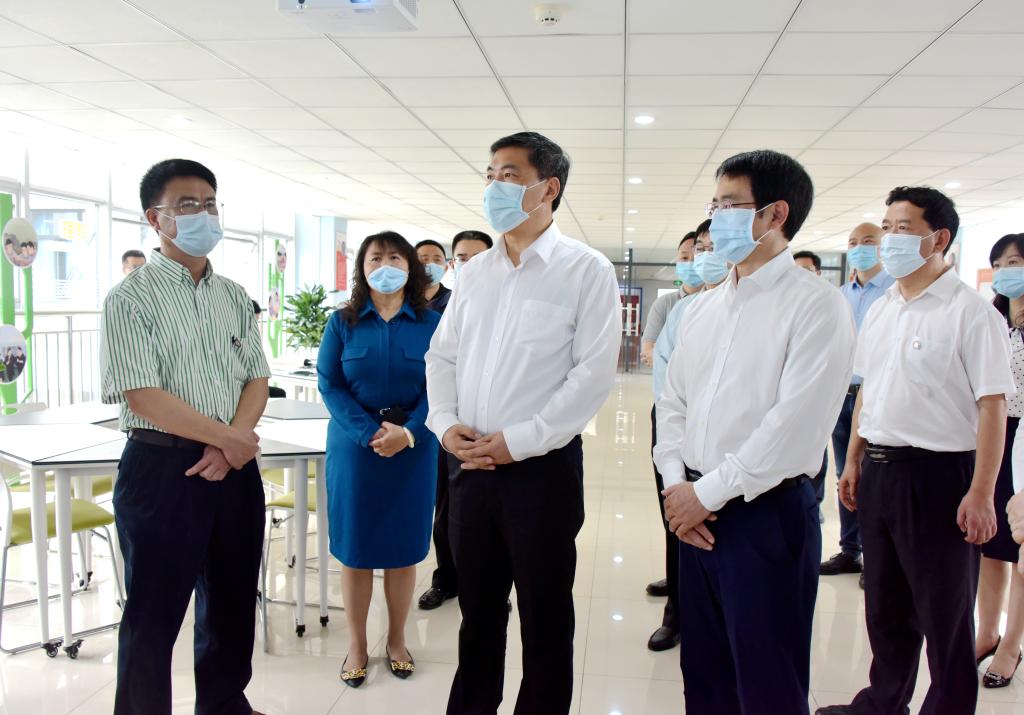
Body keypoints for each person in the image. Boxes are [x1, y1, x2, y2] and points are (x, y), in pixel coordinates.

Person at [426, 131, 621, 714]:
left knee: (545, 618)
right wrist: (445, 425)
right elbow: (443, 356)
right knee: (478, 614)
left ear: (548, 187)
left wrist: (520, 442)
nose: (494, 186)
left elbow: (591, 376)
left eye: (509, 175)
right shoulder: (475, 273)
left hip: (541, 473)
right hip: (471, 468)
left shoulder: (585, 270)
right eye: (489, 175)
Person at [655, 149, 856, 714]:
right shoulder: (702, 309)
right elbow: (672, 403)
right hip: (694, 510)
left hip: (764, 513)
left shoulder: (817, 306)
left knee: (768, 680)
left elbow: (794, 427)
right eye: (714, 205)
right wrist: (677, 485)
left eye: (729, 205)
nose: (715, 219)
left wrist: (705, 494)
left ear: (774, 214)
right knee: (706, 675)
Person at [816, 187, 1014, 715]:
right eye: (886, 227)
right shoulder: (883, 309)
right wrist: (853, 459)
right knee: (885, 606)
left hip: (940, 477)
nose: (888, 239)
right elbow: (868, 391)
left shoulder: (971, 313)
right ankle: (884, 702)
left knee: (944, 613)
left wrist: (982, 493)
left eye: (902, 228)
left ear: (938, 238)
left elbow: (993, 408)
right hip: (880, 473)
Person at [100, 159, 270, 715]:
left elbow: (256, 378)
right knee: (153, 615)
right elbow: (142, 395)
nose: (204, 213)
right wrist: (228, 439)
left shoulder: (233, 296)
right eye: (188, 205)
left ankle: (224, 705)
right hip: (162, 471)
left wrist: (231, 443)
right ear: (157, 219)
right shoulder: (130, 299)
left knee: (231, 603)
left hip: (233, 471)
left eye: (210, 203)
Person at [318, 231, 440, 688]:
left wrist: (408, 433)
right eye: (375, 258)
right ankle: (356, 644)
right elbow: (330, 383)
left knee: (403, 550)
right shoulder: (342, 322)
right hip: (356, 450)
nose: (385, 265)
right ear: (362, 267)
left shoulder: (433, 323)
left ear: (410, 267)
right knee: (356, 551)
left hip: (413, 449)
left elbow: (444, 387)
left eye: (394, 257)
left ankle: (397, 640)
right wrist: (369, 433)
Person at [418, 230, 494, 612]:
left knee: (484, 515)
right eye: (462, 258)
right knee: (446, 509)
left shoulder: (492, 301)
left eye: (478, 257)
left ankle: (490, 587)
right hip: (441, 421)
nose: (470, 265)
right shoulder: (411, 307)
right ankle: (446, 579)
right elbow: (438, 360)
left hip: (485, 424)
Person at [819, 224, 894, 585]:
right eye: (853, 243)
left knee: (875, 478)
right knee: (845, 474)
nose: (859, 248)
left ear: (882, 247)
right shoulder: (839, 295)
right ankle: (850, 549)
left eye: (868, 242)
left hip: (877, 396)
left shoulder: (894, 292)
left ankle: (877, 557)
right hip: (841, 394)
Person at [645, 225, 704, 652]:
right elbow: (662, 369)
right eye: (696, 251)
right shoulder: (681, 309)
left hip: (719, 440)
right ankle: (677, 612)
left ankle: (700, 608)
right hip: (673, 425)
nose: (699, 259)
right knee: (676, 512)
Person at [975, 233, 1024, 688]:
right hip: (993, 436)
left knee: (1023, 549)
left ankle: (1011, 645)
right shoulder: (991, 319)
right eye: (1001, 263)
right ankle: (986, 632)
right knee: (991, 545)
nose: (1007, 270)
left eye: (1015, 262)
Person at [639, 234, 696, 368]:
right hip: (665, 381)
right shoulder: (664, 303)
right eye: (684, 258)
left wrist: (664, 357)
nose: (690, 263)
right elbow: (648, 352)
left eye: (696, 258)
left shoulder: (717, 301)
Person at [415, 239, 451, 312]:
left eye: (437, 260)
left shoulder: (453, 298)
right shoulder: (400, 299)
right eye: (424, 259)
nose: (431, 264)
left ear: (445, 268)